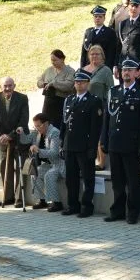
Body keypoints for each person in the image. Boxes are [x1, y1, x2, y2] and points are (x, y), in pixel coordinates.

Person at [102, 59, 140, 224]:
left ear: (137, 73)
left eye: (130, 70)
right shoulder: (114, 91)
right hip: (115, 142)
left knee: (132, 181)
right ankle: (117, 211)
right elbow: (107, 119)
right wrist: (104, 141)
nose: (127, 73)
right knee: (117, 181)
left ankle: (132, 213)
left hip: (131, 145)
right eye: (124, 70)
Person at [61, 70, 103, 217]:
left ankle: (86, 206)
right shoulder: (69, 99)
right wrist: (62, 143)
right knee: (70, 178)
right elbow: (64, 124)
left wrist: (92, 147)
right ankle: (73, 205)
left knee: (87, 178)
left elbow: (95, 128)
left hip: (84, 146)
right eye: (77, 82)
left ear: (88, 83)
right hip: (69, 145)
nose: (79, 84)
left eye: (82, 82)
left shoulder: (94, 101)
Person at [0, 76, 30, 207]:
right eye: (5, 86)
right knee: (4, 167)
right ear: (0, 87)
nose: (7, 88)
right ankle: (7, 197)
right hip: (3, 141)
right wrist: (1, 135)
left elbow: (24, 121)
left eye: (10, 85)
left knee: (19, 168)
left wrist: (11, 135)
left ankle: (19, 199)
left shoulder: (22, 98)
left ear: (14, 85)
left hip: (18, 138)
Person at [27, 113, 65, 211]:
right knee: (35, 172)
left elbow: (54, 153)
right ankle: (42, 200)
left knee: (49, 175)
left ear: (46, 123)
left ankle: (56, 203)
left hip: (60, 164)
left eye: (39, 126)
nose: (37, 128)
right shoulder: (40, 133)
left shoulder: (54, 132)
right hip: (50, 163)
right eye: (35, 126)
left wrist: (38, 150)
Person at [36, 49, 75, 128]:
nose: (53, 62)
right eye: (51, 60)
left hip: (61, 102)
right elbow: (39, 82)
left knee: (58, 126)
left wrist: (54, 83)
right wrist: (44, 84)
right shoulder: (49, 70)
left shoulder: (70, 71)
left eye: (55, 60)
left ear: (62, 59)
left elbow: (68, 85)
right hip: (48, 102)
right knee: (46, 125)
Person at [81, 5, 119, 70]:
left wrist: (108, 67)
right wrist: (82, 67)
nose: (97, 18)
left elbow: (112, 52)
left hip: (103, 66)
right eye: (95, 16)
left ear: (104, 18)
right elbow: (84, 52)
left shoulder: (110, 32)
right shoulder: (88, 31)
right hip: (89, 66)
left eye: (100, 17)